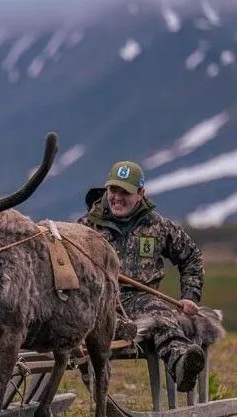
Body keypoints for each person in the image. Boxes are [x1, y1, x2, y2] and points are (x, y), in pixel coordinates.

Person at [78, 161, 206, 392]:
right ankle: (95, 383)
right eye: (113, 190)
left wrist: (190, 296)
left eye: (125, 192)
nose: (117, 198)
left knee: (160, 317)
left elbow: (191, 258)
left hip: (142, 298)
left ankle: (182, 363)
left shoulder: (159, 226)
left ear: (140, 194)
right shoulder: (86, 228)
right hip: (97, 300)